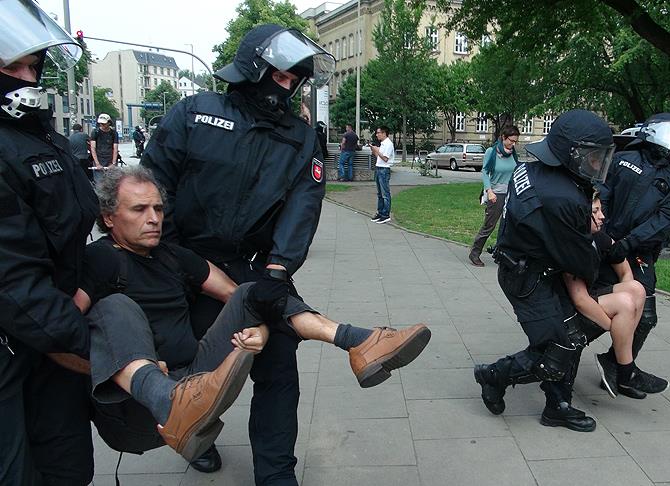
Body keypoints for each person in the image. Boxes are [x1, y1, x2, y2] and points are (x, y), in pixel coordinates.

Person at [142, 24, 430, 484]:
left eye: (296, 78)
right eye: (280, 75)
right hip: (184, 261)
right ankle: (196, 434)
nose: (288, 85)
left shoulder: (300, 137)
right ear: (252, 69)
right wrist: (174, 259)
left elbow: (303, 203)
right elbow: (155, 186)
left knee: (278, 371)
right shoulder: (194, 114)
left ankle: (276, 473)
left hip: (256, 267)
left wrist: (279, 267)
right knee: (193, 363)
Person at [77, 166, 429, 465]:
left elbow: (241, 297)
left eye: (157, 208)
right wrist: (130, 368)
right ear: (109, 217)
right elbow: (58, 337)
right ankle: (165, 399)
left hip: (195, 386)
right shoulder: (100, 259)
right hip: (138, 406)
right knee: (114, 307)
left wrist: (261, 329)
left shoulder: (171, 256)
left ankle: (359, 341)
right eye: (139, 209)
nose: (154, 218)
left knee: (253, 290)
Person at [0, 2, 98, 483]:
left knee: (69, 465)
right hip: (16, 344)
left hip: (52, 341)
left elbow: (76, 234)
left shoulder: (43, 138)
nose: (26, 78)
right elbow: (11, 278)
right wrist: (102, 350)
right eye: (11, 68)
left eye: (32, 67)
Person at [473, 109, 617, 433]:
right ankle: (494, 376)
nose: (597, 164)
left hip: (532, 268)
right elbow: (579, 258)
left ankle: (558, 406)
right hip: (528, 278)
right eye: (592, 156)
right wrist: (600, 255)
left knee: (570, 337)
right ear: (571, 153)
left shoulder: (536, 170)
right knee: (556, 348)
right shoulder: (562, 195)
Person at [592, 112, 670, 396]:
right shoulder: (622, 160)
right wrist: (603, 235)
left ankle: (619, 367)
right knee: (592, 310)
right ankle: (564, 363)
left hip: (638, 254)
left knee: (645, 317)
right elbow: (600, 194)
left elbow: (665, 220)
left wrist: (628, 243)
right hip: (603, 245)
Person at [564, 192, 647, 399]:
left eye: (601, 210)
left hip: (592, 297)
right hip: (568, 307)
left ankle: (614, 362)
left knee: (637, 289)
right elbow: (580, 300)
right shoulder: (573, 244)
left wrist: (625, 325)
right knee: (624, 304)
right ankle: (626, 373)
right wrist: (618, 329)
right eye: (595, 211)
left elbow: (625, 270)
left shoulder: (599, 237)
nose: (602, 216)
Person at [468, 125, 520, 267]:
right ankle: (475, 253)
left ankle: (502, 253)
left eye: (515, 141)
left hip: (510, 194)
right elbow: (485, 172)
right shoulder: (492, 152)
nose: (513, 144)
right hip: (496, 194)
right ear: (503, 137)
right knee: (489, 225)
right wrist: (489, 191)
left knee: (509, 226)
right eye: (511, 141)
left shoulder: (513, 153)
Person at [369, 125, 396, 224]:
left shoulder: (388, 144)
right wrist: (374, 150)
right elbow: (379, 157)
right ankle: (380, 212)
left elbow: (385, 158)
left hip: (384, 170)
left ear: (384, 133)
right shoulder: (382, 144)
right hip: (379, 168)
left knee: (385, 193)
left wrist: (377, 150)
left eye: (378, 133)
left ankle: (385, 215)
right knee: (380, 193)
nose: (377, 135)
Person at [90, 113, 119, 182]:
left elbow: (115, 149)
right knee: (99, 182)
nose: (102, 125)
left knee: (112, 182)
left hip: (110, 159)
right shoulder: (95, 132)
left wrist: (113, 163)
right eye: (100, 123)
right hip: (99, 158)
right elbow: (93, 148)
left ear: (109, 123)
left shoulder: (114, 133)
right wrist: (97, 163)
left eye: (104, 124)